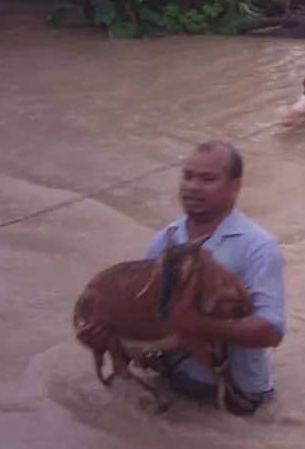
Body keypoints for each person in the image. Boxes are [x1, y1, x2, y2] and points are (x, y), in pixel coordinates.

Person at [77, 141, 285, 416]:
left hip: (235, 398)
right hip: (170, 384)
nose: (193, 186)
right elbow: (147, 318)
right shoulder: (164, 241)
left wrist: (194, 324)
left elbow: (271, 332)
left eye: (207, 179)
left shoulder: (258, 246)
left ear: (235, 187)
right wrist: (103, 341)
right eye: (188, 176)